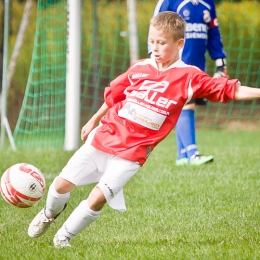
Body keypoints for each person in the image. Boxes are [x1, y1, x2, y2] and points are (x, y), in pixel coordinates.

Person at [28, 11, 260, 248]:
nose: (155, 48)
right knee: (61, 184)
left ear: (179, 43)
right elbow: (113, 95)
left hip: (134, 152)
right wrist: (92, 120)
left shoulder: (189, 76)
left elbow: (230, 90)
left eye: (161, 43)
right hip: (105, 136)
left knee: (98, 198)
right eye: (152, 42)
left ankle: (63, 237)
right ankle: (48, 215)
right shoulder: (139, 68)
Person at [148, 0, 228, 166]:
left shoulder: (208, 4)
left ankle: (182, 156)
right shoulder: (169, 2)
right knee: (186, 104)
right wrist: (154, 59)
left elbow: (214, 34)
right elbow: (155, 28)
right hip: (176, 65)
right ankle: (193, 153)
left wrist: (221, 62)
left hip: (198, 65)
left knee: (182, 106)